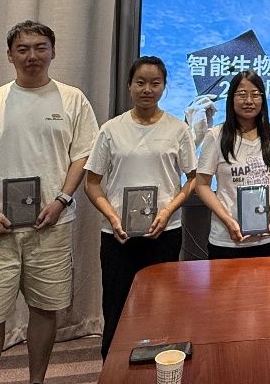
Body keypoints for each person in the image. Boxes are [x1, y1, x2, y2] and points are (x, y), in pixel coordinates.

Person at [0, 21, 98, 384]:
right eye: (22, 49)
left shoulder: (72, 99)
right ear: (10, 55)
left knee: (45, 309)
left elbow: (83, 154)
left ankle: (37, 379)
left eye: (40, 48)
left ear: (52, 52)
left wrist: (62, 200)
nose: (32, 56)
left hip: (50, 225)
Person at [85, 56, 197, 358]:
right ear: (129, 86)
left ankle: (161, 369)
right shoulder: (111, 129)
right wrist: (112, 216)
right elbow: (92, 183)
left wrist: (168, 212)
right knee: (117, 306)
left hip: (165, 233)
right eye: (140, 82)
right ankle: (113, 369)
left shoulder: (178, 129)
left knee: (162, 306)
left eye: (155, 83)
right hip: (118, 235)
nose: (147, 89)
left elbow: (192, 180)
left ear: (164, 87)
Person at [196, 70, 270, 259]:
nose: (249, 101)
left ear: (263, 99)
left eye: (255, 95)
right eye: (241, 94)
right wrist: (228, 220)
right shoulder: (216, 136)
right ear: (231, 98)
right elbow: (202, 185)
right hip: (227, 239)